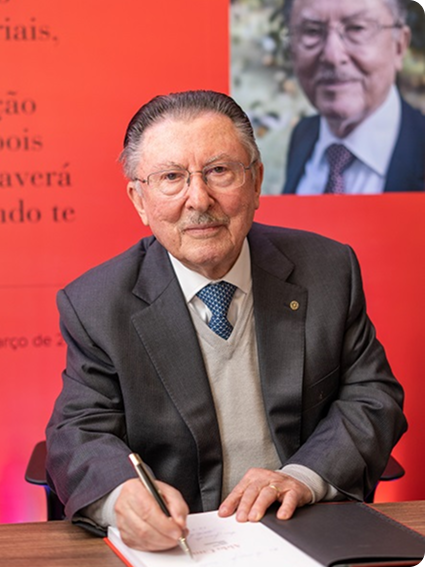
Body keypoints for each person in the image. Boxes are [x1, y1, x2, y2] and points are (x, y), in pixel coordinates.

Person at [46, 90, 407, 552]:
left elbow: (373, 397)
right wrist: (121, 499)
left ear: (256, 183)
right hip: (180, 547)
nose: (199, 199)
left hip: (303, 531)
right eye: (171, 177)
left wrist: (304, 477)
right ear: (140, 200)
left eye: (219, 171)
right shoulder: (97, 304)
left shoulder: (328, 270)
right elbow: (78, 431)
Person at [281, 0, 425, 195]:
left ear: (399, 45)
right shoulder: (304, 135)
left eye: (357, 29)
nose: (332, 56)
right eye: (312, 31)